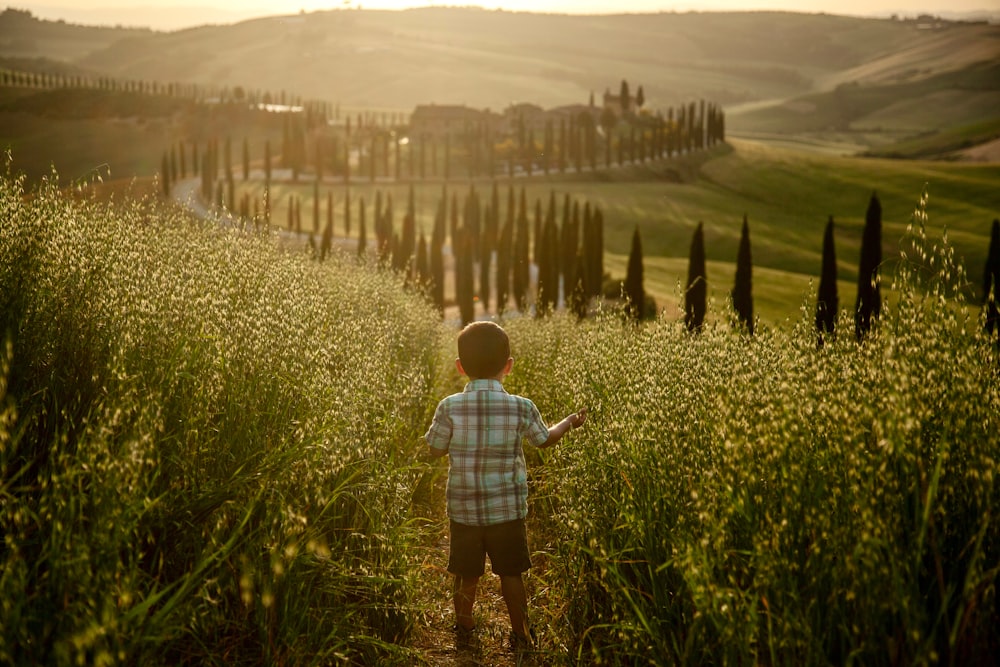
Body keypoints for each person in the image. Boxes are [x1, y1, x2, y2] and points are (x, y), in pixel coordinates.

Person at [424, 321, 587, 650]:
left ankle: (464, 629)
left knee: (466, 574)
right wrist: (568, 422)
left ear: (460, 367)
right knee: (512, 573)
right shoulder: (522, 407)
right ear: (508, 366)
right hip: (508, 512)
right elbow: (544, 440)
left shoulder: (449, 407)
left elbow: (435, 449)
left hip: (464, 510)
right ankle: (522, 633)